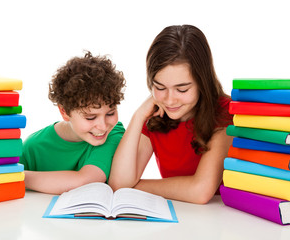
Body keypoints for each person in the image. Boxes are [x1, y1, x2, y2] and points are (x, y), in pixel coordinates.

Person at [109, 25, 233, 204]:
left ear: (202, 83)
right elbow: (119, 182)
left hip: (222, 220)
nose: (169, 100)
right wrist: (138, 116)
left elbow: (200, 191)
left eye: (182, 89)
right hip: (177, 217)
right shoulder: (155, 114)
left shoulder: (224, 112)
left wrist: (134, 188)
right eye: (159, 87)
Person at [20, 51, 126, 194]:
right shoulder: (33, 147)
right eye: (90, 117)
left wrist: (18, 177)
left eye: (110, 113)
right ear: (64, 112)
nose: (102, 126)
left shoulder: (114, 133)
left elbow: (86, 180)